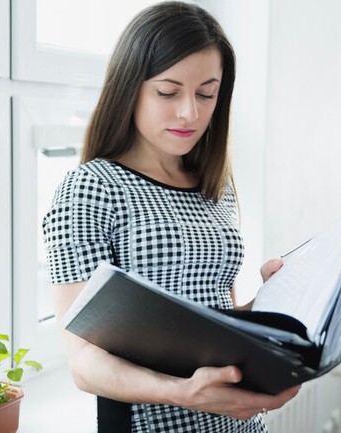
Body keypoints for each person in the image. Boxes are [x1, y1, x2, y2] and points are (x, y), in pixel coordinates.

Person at [42, 2, 300, 432]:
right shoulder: (91, 189)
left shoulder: (214, 186)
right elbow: (83, 362)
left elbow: (216, 319)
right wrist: (181, 392)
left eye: (206, 93)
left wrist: (273, 301)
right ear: (130, 87)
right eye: (168, 92)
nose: (190, 113)